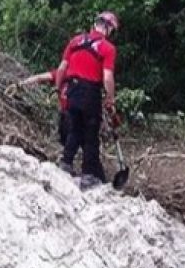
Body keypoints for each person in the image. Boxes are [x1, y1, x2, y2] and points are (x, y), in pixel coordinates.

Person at [52, 11, 120, 187]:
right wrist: (110, 98)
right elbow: (107, 77)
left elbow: (61, 68)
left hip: (72, 89)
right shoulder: (108, 48)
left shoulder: (75, 41)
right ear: (107, 28)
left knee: (75, 129)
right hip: (90, 92)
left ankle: (65, 164)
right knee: (91, 134)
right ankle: (89, 174)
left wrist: (58, 89)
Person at [8, 68, 71, 146]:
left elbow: (39, 77)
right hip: (67, 114)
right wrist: (20, 84)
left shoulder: (77, 76)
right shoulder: (62, 74)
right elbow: (39, 78)